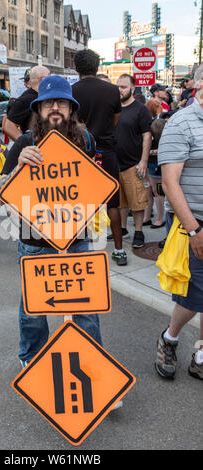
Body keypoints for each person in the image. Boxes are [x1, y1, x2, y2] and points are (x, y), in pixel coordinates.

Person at [0, 75, 104, 366]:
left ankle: (91, 362)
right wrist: (19, 167)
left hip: (76, 238)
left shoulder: (86, 140)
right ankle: (32, 358)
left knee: (85, 305)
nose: (55, 108)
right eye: (48, 103)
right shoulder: (25, 143)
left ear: (71, 108)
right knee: (34, 308)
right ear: (39, 108)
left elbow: (95, 187)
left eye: (61, 102)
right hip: (34, 241)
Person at [155, 85, 203, 381]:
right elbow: (169, 184)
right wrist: (194, 229)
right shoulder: (181, 123)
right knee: (194, 296)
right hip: (195, 225)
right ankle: (169, 339)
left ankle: (200, 355)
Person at [72, 49, 127, 266]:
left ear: (77, 68)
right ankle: (120, 250)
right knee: (112, 202)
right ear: (97, 67)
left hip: (79, 153)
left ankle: (83, 249)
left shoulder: (71, 91)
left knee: (79, 201)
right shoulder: (112, 91)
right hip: (106, 150)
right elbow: (115, 120)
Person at [114, 74, 152, 249]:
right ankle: (122, 229)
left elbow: (147, 135)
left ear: (132, 89)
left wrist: (143, 161)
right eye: (118, 86)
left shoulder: (140, 109)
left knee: (137, 201)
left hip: (133, 163)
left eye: (123, 87)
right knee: (120, 201)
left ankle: (138, 231)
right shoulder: (113, 108)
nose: (120, 90)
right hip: (115, 164)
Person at [3, 65, 50, 142]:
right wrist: (26, 145)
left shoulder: (39, 96)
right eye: (49, 77)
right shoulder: (27, 99)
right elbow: (8, 126)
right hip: (36, 149)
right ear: (42, 80)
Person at [143, 118, 166, 229]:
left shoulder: (163, 136)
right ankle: (147, 217)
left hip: (158, 166)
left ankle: (160, 219)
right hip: (150, 166)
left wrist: (149, 152)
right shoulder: (151, 131)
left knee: (158, 193)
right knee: (149, 192)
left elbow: (163, 150)